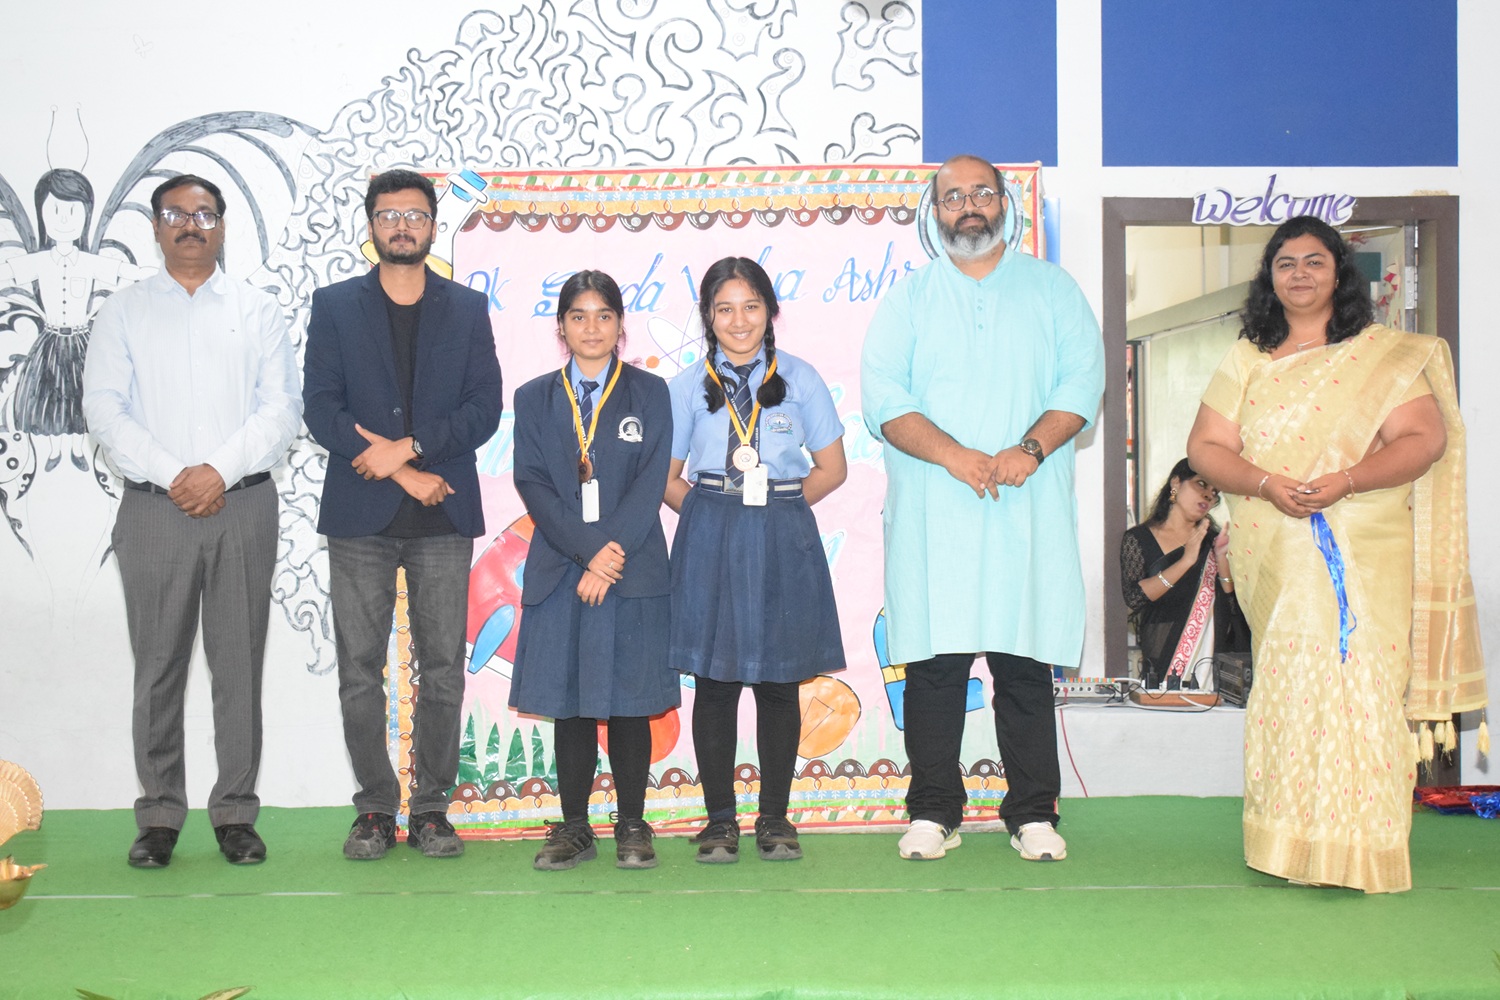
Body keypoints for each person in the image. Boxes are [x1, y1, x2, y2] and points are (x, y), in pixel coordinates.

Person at [1186, 215, 1487, 893]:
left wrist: (1347, 480)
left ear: (1339, 273)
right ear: (1270, 278)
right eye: (1285, 263)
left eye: (1314, 261)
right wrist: (1266, 482)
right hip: (1278, 553)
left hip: (1362, 546)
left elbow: (1423, 439)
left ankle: (1363, 848)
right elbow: (1205, 448)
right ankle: (1290, 845)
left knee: (1360, 685)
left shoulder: (1381, 356)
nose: (1299, 274)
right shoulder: (1249, 356)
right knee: (1291, 687)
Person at [861, 154, 1104, 863]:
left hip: (1024, 512)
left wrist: (1029, 448)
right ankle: (933, 811)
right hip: (936, 513)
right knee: (935, 671)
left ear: (1005, 203)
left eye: (981, 193)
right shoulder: (909, 299)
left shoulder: (1053, 290)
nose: (968, 206)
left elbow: (1081, 380)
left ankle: (1032, 813)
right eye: (953, 197)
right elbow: (884, 399)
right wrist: (954, 456)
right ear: (934, 212)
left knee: (1023, 667)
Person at [82, 174, 301, 868]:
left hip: (242, 504)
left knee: (238, 665)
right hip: (155, 509)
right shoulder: (123, 312)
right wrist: (176, 473)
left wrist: (217, 472)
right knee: (158, 668)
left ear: (222, 226)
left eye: (204, 214)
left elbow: (280, 410)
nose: (190, 225)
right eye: (176, 214)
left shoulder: (257, 310)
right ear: (155, 227)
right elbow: (104, 408)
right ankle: (158, 816)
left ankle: (235, 813)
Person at [302, 169, 502, 861]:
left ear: (433, 226)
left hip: (443, 514)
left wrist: (411, 450)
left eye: (414, 215)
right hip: (360, 515)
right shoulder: (335, 306)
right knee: (360, 670)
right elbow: (321, 407)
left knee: (442, 667)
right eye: (389, 215)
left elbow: (483, 408)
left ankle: (432, 810)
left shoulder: (466, 308)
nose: (402, 226)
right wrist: (399, 470)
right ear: (371, 226)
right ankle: (375, 809)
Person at [664, 256, 847, 863]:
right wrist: (711, 512)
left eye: (751, 306)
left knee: (777, 682)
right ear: (707, 316)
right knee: (714, 685)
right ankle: (720, 821)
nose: (738, 320)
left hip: (782, 531)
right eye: (724, 309)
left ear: (770, 311)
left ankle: (774, 818)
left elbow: (833, 469)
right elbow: (666, 478)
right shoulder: (686, 386)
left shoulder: (801, 378)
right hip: (710, 532)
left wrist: (777, 509)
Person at [508, 270, 677, 871]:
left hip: (632, 570)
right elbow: (532, 483)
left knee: (631, 699)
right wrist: (587, 553)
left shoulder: (650, 393)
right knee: (571, 700)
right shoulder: (534, 398)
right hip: (562, 568)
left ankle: (632, 822)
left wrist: (608, 559)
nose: (592, 328)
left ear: (620, 325)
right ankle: (575, 826)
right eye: (578, 316)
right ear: (561, 327)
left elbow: (651, 482)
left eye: (604, 315)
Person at [3, 169, 154, 471]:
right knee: (49, 395)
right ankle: (55, 449)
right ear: (41, 214)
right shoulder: (38, 262)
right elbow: (8, 271)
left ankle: (77, 448)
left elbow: (127, 274)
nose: (63, 219)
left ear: (86, 215)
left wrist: (166, 275)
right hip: (50, 341)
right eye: (55, 210)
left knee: (79, 394)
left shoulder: (89, 263)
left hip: (82, 341)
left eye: (72, 211)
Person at [1120, 458, 1249, 691]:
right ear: (1176, 483)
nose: (1208, 495)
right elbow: (1134, 599)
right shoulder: (1138, 539)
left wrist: (1222, 560)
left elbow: (1234, 608)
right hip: (1162, 662)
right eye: (1201, 484)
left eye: (1214, 492)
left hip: (1211, 666)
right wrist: (1186, 560)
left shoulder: (1213, 541)